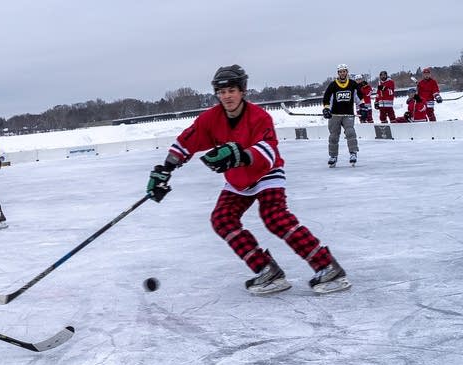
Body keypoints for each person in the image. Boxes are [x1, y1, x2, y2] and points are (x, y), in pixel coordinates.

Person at [145, 64, 349, 296]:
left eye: (231, 90)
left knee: (274, 217)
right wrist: (165, 169)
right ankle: (266, 269)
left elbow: (268, 150)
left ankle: (327, 266)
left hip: (266, 174)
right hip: (238, 180)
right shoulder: (210, 119)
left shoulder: (259, 117)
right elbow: (186, 142)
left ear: (242, 91)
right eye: (221, 92)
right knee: (222, 219)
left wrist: (241, 155)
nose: (226, 96)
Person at [322, 64, 363, 166]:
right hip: (335, 115)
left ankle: (353, 153)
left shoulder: (353, 84)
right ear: (338, 73)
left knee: (350, 133)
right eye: (340, 72)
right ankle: (333, 156)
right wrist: (326, 109)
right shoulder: (333, 85)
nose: (342, 73)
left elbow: (359, 97)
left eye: (344, 71)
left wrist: (362, 107)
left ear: (347, 72)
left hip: (348, 114)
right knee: (333, 136)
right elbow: (326, 98)